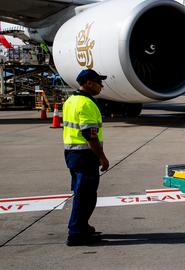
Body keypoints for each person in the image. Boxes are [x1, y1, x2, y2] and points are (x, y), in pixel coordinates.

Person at [62, 69, 109, 246]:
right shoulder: (86, 104)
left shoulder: (71, 101)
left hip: (72, 153)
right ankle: (76, 233)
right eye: (98, 82)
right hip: (85, 155)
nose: (101, 86)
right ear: (88, 83)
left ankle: (81, 226)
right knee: (85, 196)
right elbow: (90, 135)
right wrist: (102, 157)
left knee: (81, 193)